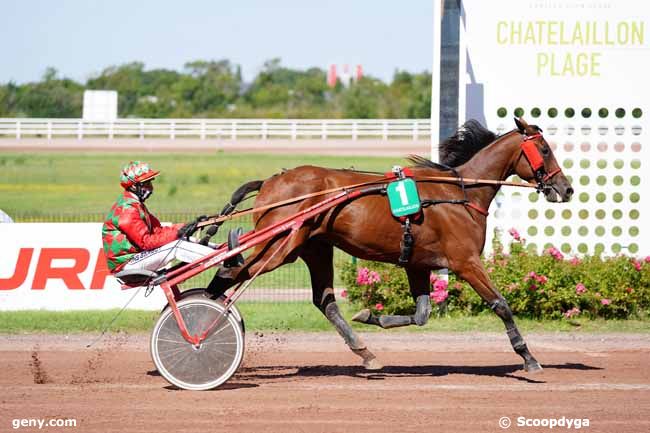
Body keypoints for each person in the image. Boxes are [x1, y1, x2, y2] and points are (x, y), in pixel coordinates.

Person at [102, 161, 213, 275]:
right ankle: (218, 259)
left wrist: (186, 226)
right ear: (134, 186)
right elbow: (147, 242)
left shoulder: (135, 204)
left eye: (150, 182)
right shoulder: (127, 210)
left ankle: (219, 250)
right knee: (176, 246)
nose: (151, 187)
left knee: (184, 240)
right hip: (126, 264)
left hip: (136, 257)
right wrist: (179, 232)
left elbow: (158, 231)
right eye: (146, 183)